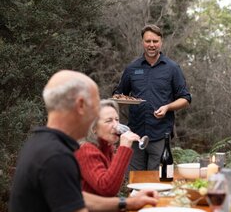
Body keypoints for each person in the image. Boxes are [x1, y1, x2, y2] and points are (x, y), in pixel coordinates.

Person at [9, 70, 159, 212]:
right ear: (80, 105)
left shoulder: (42, 142)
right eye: (94, 106)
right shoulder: (56, 156)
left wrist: (127, 203)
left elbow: (77, 197)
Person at [114, 24, 191, 170]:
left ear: (161, 42)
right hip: (135, 134)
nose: (151, 45)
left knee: (158, 182)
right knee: (135, 181)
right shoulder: (132, 68)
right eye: (148, 41)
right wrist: (121, 99)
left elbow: (185, 98)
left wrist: (167, 107)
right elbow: (118, 94)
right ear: (142, 42)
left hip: (160, 135)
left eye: (155, 41)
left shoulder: (172, 68)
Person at [75, 99, 141, 196]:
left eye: (117, 120)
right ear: (94, 128)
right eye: (109, 121)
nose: (116, 125)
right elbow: (107, 189)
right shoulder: (86, 150)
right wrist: (123, 149)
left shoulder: (107, 148)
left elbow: (114, 183)